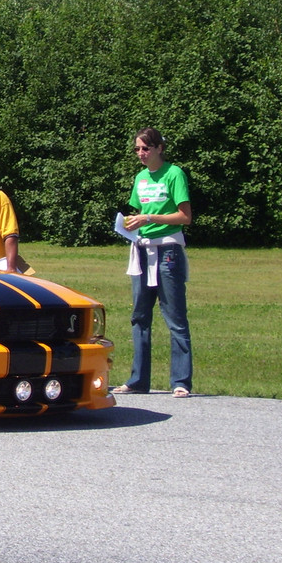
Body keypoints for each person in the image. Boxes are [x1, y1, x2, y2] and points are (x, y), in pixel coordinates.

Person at [113, 127, 193, 398]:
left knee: (174, 317)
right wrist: (132, 222)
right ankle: (138, 380)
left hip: (168, 250)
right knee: (139, 317)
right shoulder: (141, 178)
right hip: (143, 249)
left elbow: (184, 217)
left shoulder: (174, 174)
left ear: (159, 148)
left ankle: (180, 381)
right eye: (137, 149)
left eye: (145, 148)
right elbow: (142, 211)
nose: (141, 154)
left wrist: (148, 219)